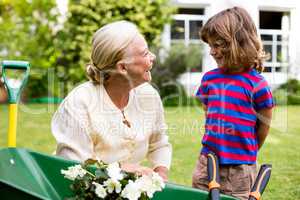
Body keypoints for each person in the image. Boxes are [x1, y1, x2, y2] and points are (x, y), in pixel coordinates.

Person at [51, 21, 172, 181]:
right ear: (122, 68)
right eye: (144, 53)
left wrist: (160, 175)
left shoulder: (149, 96)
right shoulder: (79, 103)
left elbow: (159, 143)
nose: (152, 57)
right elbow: (73, 168)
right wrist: (120, 170)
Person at [192, 7, 274, 199]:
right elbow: (209, 115)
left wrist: (245, 154)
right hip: (208, 162)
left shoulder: (257, 85)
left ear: (239, 42)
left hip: (240, 170)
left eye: (218, 45)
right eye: (210, 46)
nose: (212, 52)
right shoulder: (209, 80)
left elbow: (264, 126)